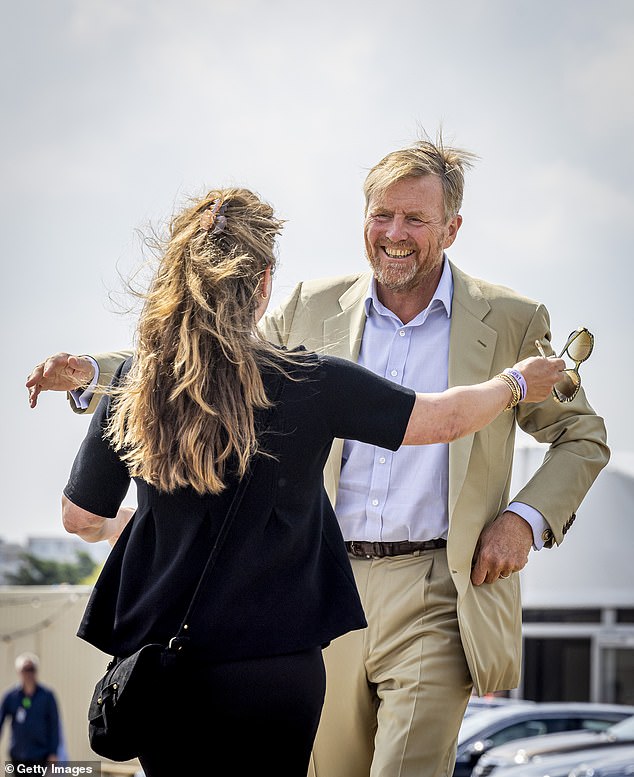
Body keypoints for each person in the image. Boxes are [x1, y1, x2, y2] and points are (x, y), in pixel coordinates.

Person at [25, 137, 609, 777]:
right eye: (380, 214)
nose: (394, 233)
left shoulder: (513, 319)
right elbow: (212, 360)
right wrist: (94, 371)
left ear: (453, 227)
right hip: (317, 596)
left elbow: (583, 437)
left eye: (415, 218)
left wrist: (524, 518)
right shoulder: (309, 309)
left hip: (438, 588)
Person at [0, 652, 60, 767]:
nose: (29, 673)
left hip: (40, 754)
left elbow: (54, 725)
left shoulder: (47, 696)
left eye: (31, 669)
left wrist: (53, 752)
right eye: (25, 669)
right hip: (17, 754)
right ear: (19, 672)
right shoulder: (11, 696)